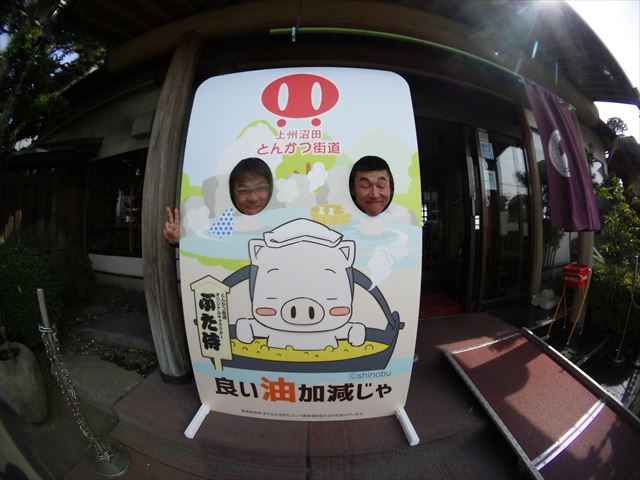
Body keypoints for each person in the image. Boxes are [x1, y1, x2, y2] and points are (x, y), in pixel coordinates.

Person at [163, 157, 273, 245]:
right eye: (243, 190)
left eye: (261, 188)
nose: (253, 198)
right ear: (232, 193)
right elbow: (208, 247)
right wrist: (179, 241)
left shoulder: (279, 220)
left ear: (271, 190)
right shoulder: (225, 222)